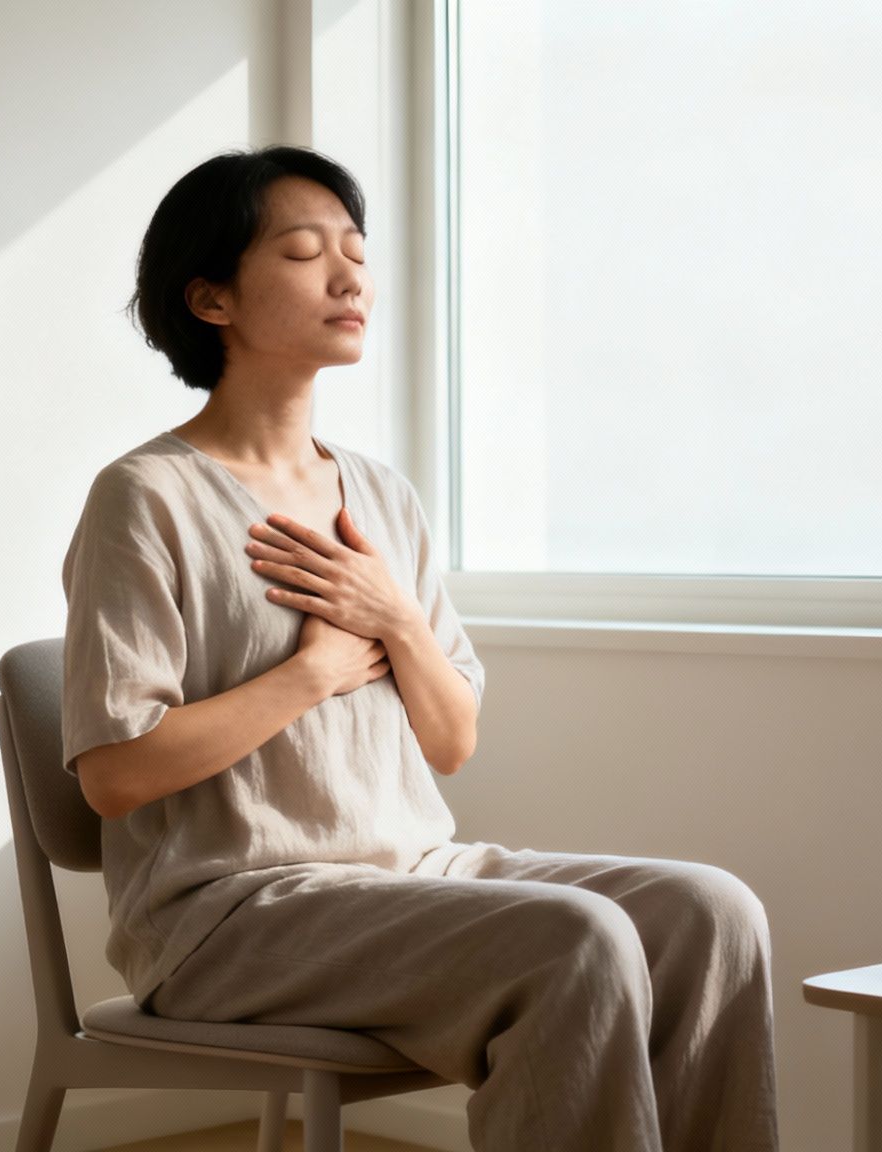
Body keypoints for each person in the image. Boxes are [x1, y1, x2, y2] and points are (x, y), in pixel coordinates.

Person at [60, 144, 778, 1151]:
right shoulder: (145, 497)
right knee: (572, 938)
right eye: (305, 254)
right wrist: (311, 673)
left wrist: (394, 619)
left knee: (709, 912)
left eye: (355, 252)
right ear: (211, 298)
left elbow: (451, 740)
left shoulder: (383, 496)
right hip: (230, 911)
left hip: (413, 870)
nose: (349, 277)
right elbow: (115, 775)